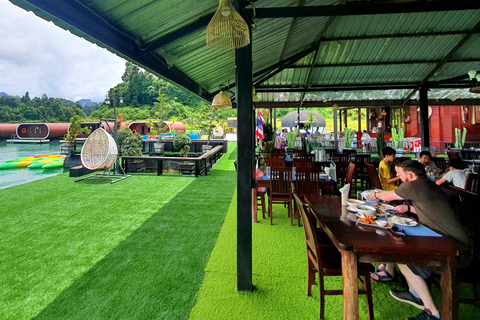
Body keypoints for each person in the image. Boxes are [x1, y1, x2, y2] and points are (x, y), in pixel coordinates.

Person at [366, 160, 469, 320]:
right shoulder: (428, 185)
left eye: (399, 174)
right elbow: (429, 206)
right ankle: (415, 293)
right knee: (398, 246)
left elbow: (386, 196)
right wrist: (408, 208)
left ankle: (432, 313)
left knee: (403, 253)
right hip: (450, 241)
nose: (398, 177)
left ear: (410, 175)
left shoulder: (413, 185)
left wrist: (373, 195)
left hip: (454, 248)